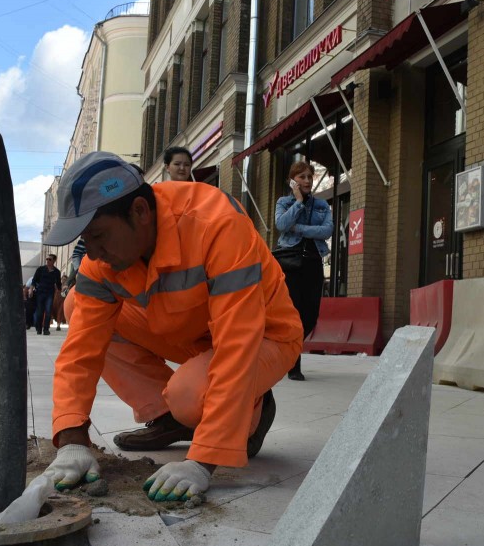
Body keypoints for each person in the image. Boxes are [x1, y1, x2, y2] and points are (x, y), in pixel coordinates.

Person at [41, 152, 303, 502]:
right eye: (86, 241)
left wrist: (203, 459)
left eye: (100, 235)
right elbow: (80, 352)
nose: (95, 252)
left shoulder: (216, 225)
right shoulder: (99, 262)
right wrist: (71, 439)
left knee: (190, 395)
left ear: (139, 211)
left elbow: (238, 344)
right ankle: (170, 418)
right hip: (190, 331)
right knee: (76, 305)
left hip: (264, 335)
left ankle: (248, 412)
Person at [274, 161, 333, 381]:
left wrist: (298, 228)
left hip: (313, 263)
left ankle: (288, 349)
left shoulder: (321, 205)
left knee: (311, 316)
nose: (307, 181)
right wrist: (298, 202)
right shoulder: (285, 202)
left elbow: (326, 230)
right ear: (293, 181)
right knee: (294, 314)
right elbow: (281, 224)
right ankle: (293, 363)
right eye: (302, 177)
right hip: (290, 264)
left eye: (309, 176)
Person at [31, 253, 62, 335]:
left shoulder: (57, 272)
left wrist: (61, 291)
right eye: (47, 259)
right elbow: (34, 280)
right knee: (40, 311)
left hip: (50, 294)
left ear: (54, 261)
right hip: (40, 293)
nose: (48, 261)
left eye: (50, 259)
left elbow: (59, 284)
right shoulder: (40, 269)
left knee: (48, 311)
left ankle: (46, 329)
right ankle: (39, 328)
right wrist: (31, 289)